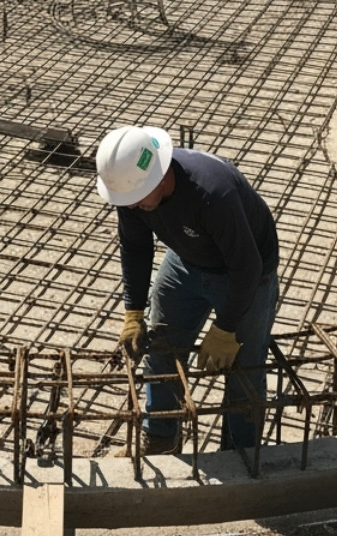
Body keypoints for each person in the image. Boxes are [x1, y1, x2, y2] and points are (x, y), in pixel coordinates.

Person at [96, 125, 280, 455]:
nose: (131, 208)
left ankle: (240, 458)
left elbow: (246, 266)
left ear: (161, 175)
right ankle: (161, 440)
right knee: (162, 350)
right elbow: (135, 248)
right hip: (186, 261)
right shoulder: (133, 195)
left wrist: (226, 327)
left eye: (137, 200)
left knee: (244, 370)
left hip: (248, 273)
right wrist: (133, 311)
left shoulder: (212, 192)